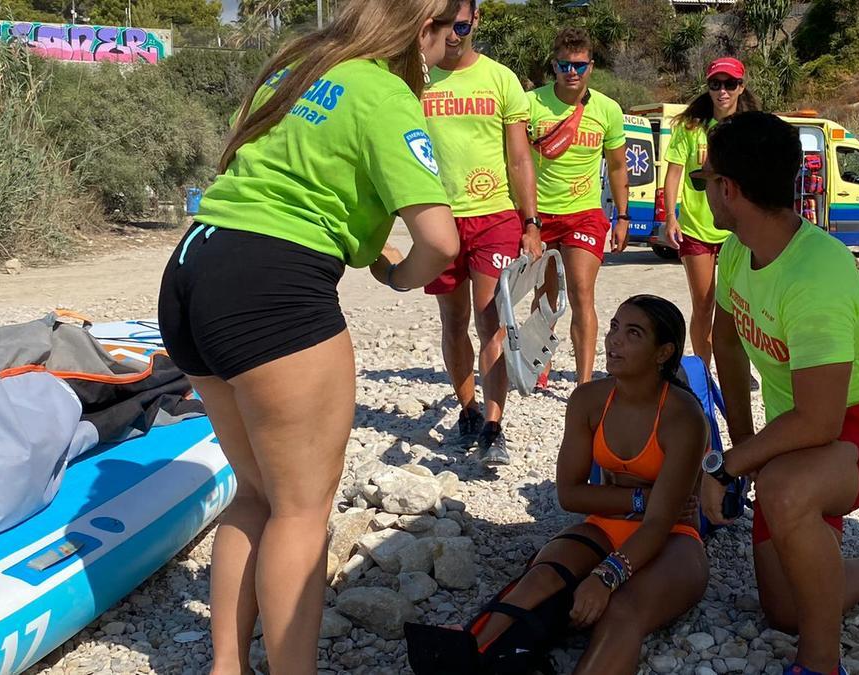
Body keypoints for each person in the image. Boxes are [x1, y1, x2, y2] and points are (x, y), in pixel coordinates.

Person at [156, 1, 463, 672]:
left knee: (257, 492)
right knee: (300, 510)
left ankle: (228, 664)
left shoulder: (300, 65)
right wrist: (401, 278)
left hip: (192, 264)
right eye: (461, 28)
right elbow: (440, 240)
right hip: (271, 286)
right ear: (425, 25)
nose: (460, 44)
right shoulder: (383, 91)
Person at [695, 112, 859, 675]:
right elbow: (726, 338)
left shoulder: (817, 273)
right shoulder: (738, 249)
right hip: (800, 430)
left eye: (705, 179)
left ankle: (819, 665)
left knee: (787, 490)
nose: (701, 189)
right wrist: (746, 444)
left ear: (730, 189)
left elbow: (819, 421)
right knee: (786, 610)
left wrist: (727, 466)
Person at [432, 295, 708, 674]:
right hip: (605, 526)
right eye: (613, 328)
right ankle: (467, 656)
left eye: (633, 333)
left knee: (622, 612)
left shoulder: (684, 417)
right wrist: (645, 497)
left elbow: (662, 522)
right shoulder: (588, 400)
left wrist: (605, 576)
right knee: (538, 581)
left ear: (663, 353)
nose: (614, 341)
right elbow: (570, 494)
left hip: (674, 539)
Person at [421, 0, 540, 466]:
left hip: (493, 216)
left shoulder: (501, 79)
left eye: (462, 24)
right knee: (452, 323)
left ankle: (494, 424)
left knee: (490, 322)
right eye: (443, 24)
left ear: (477, 21)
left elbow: (519, 159)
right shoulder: (415, 79)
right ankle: (467, 409)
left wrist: (531, 222)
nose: (453, 34)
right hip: (437, 217)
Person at [527, 27, 630, 388]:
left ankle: (584, 381)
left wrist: (623, 216)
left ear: (591, 66)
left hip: (584, 213)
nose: (572, 72)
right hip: (539, 215)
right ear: (553, 66)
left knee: (582, 292)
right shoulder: (530, 104)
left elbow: (617, 166)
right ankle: (540, 364)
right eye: (564, 65)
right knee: (545, 295)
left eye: (580, 65)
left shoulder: (607, 110)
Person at [661, 57, 758, 366]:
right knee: (704, 305)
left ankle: (737, 366)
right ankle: (703, 369)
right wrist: (670, 216)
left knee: (741, 305)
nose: (723, 91)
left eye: (730, 84)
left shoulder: (750, 129)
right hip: (696, 228)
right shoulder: (690, 127)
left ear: (741, 87)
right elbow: (673, 173)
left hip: (737, 231)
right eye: (716, 84)